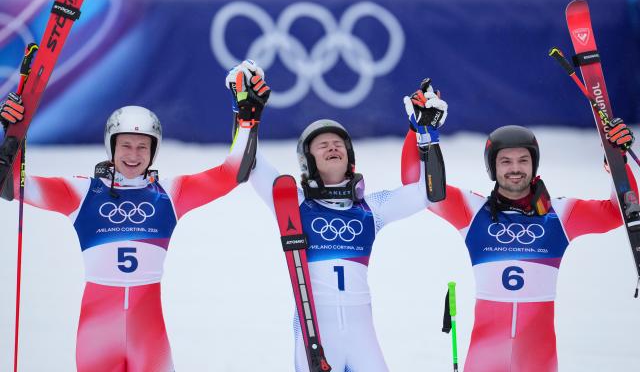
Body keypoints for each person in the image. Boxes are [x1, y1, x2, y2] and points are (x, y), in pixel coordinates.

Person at [0, 75, 270, 371]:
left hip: (148, 333)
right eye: (126, 145)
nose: (133, 154)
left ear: (153, 150)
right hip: (97, 334)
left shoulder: (170, 194)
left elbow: (231, 174)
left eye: (143, 147)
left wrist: (246, 122)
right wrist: (10, 132)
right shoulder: (82, 192)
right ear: (111, 146)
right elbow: (9, 185)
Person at [226, 60, 449, 371]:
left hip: (363, 338)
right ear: (307, 161)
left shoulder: (373, 209)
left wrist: (426, 134)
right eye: (322, 146)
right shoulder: (293, 202)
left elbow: (429, 194)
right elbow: (246, 165)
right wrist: (244, 115)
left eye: (338, 144)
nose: (333, 148)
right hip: (314, 334)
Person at [401, 83, 637, 372]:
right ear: (493, 167)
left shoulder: (560, 215)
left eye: (523, 160)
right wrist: (417, 131)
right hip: (484, 358)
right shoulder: (472, 212)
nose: (515, 168)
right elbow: (416, 185)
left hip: (537, 358)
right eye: (506, 161)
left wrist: (617, 161)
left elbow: (620, 212)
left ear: (534, 165)